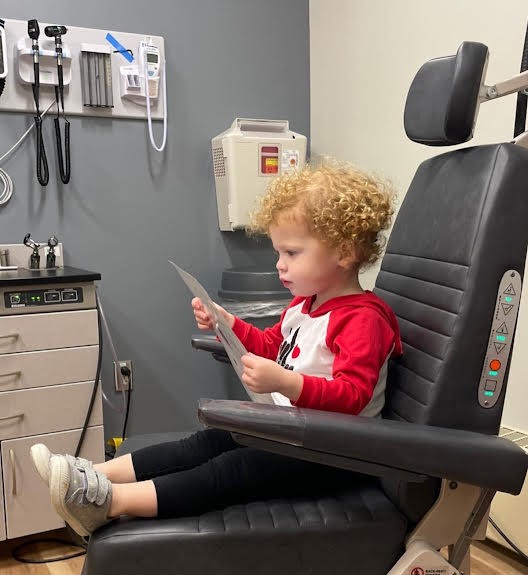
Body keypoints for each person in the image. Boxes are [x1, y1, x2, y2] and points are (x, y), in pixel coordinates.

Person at [30, 159, 403, 538]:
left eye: (291, 253)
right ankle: (90, 474)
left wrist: (287, 383)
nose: (279, 265)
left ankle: (107, 504)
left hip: (336, 453)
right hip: (297, 431)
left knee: (234, 469)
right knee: (208, 441)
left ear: (343, 252)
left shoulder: (362, 319)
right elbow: (274, 345)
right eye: (278, 253)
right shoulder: (306, 304)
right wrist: (230, 324)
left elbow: (354, 396)